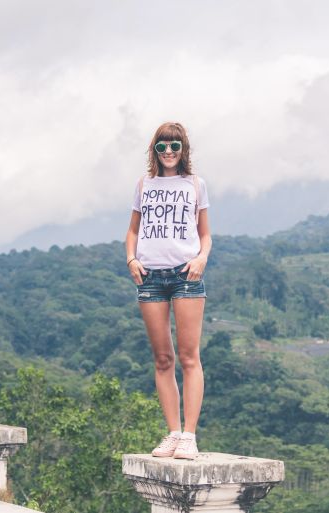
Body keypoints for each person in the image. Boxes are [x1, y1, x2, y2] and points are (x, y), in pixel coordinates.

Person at [125, 122, 212, 459]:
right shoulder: (144, 185)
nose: (169, 152)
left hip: (185, 274)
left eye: (175, 145)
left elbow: (205, 234)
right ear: (155, 151)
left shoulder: (195, 185)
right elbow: (133, 230)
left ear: (183, 148)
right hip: (150, 277)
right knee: (163, 359)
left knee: (189, 357)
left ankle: (189, 435)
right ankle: (173, 432)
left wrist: (202, 258)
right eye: (163, 146)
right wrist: (131, 258)